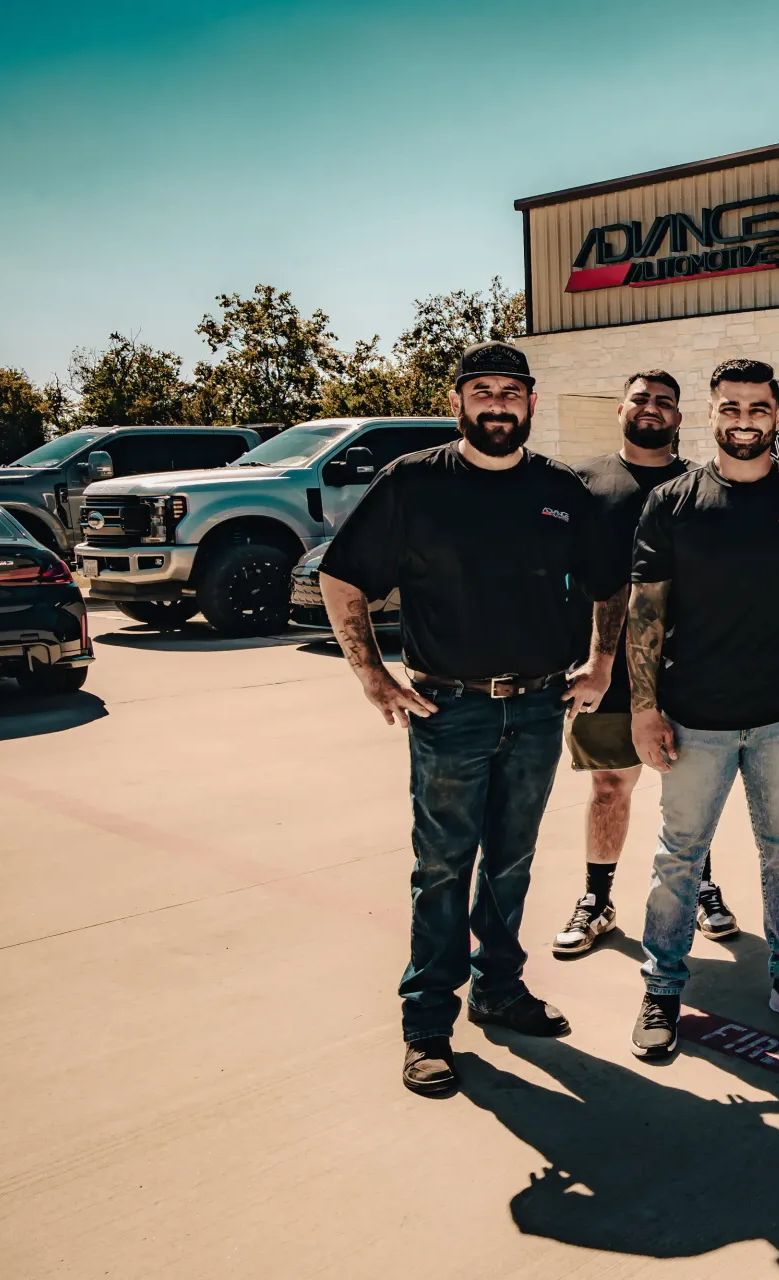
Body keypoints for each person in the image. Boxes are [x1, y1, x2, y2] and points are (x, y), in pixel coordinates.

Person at [319, 340, 616, 1098]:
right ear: (456, 402)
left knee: (512, 860)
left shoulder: (559, 489)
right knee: (443, 867)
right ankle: (427, 1023)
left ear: (531, 403)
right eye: (481, 391)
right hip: (449, 708)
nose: (496, 405)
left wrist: (602, 661)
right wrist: (372, 676)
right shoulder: (414, 483)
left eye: (510, 392)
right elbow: (341, 577)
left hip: (541, 706)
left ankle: (499, 990)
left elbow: (609, 582)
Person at [625, 358, 779, 1059]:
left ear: (777, 415)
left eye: (758, 408)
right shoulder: (674, 502)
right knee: (680, 855)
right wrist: (643, 709)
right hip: (694, 717)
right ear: (711, 413)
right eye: (731, 407)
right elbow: (645, 611)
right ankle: (662, 985)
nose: (744, 420)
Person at [552, 371, 739, 958]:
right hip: (603, 668)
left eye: (664, 401)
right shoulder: (584, 483)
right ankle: (597, 899)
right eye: (640, 398)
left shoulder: (702, 485)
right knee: (610, 785)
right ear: (620, 409)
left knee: (691, 790)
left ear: (680, 417)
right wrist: (591, 660)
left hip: (688, 668)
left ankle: (700, 886)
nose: (651, 408)